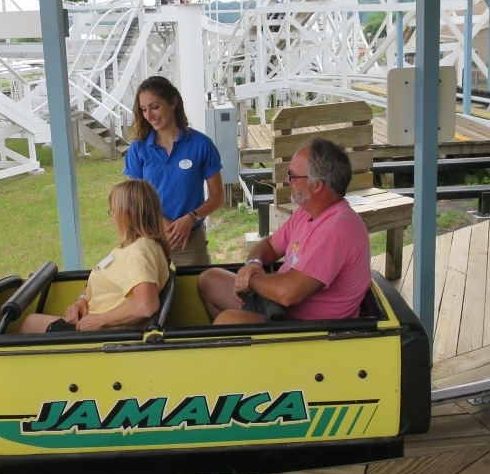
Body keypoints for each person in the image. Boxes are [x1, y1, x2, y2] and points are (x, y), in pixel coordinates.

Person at [198, 137, 371, 324]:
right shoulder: (307, 212)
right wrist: (253, 264)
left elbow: (288, 294)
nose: (287, 180)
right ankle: (233, 347)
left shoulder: (337, 229)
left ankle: (233, 345)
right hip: (276, 306)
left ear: (317, 186)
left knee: (227, 321)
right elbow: (271, 246)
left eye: (293, 176)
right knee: (209, 280)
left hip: (307, 328)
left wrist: (251, 279)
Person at [19, 180, 170, 332]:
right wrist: (81, 301)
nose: (112, 219)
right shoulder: (133, 245)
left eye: (114, 212)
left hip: (102, 334)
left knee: (31, 323)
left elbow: (146, 305)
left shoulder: (140, 252)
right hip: (93, 323)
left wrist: (99, 320)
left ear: (128, 213)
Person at [124, 76, 224, 266]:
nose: (149, 115)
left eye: (154, 106)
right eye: (144, 110)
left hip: (190, 239)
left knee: (200, 291)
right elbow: (133, 200)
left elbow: (218, 196)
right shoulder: (138, 149)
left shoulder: (201, 144)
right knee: (150, 295)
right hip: (148, 240)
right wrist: (163, 223)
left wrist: (190, 218)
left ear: (173, 102)